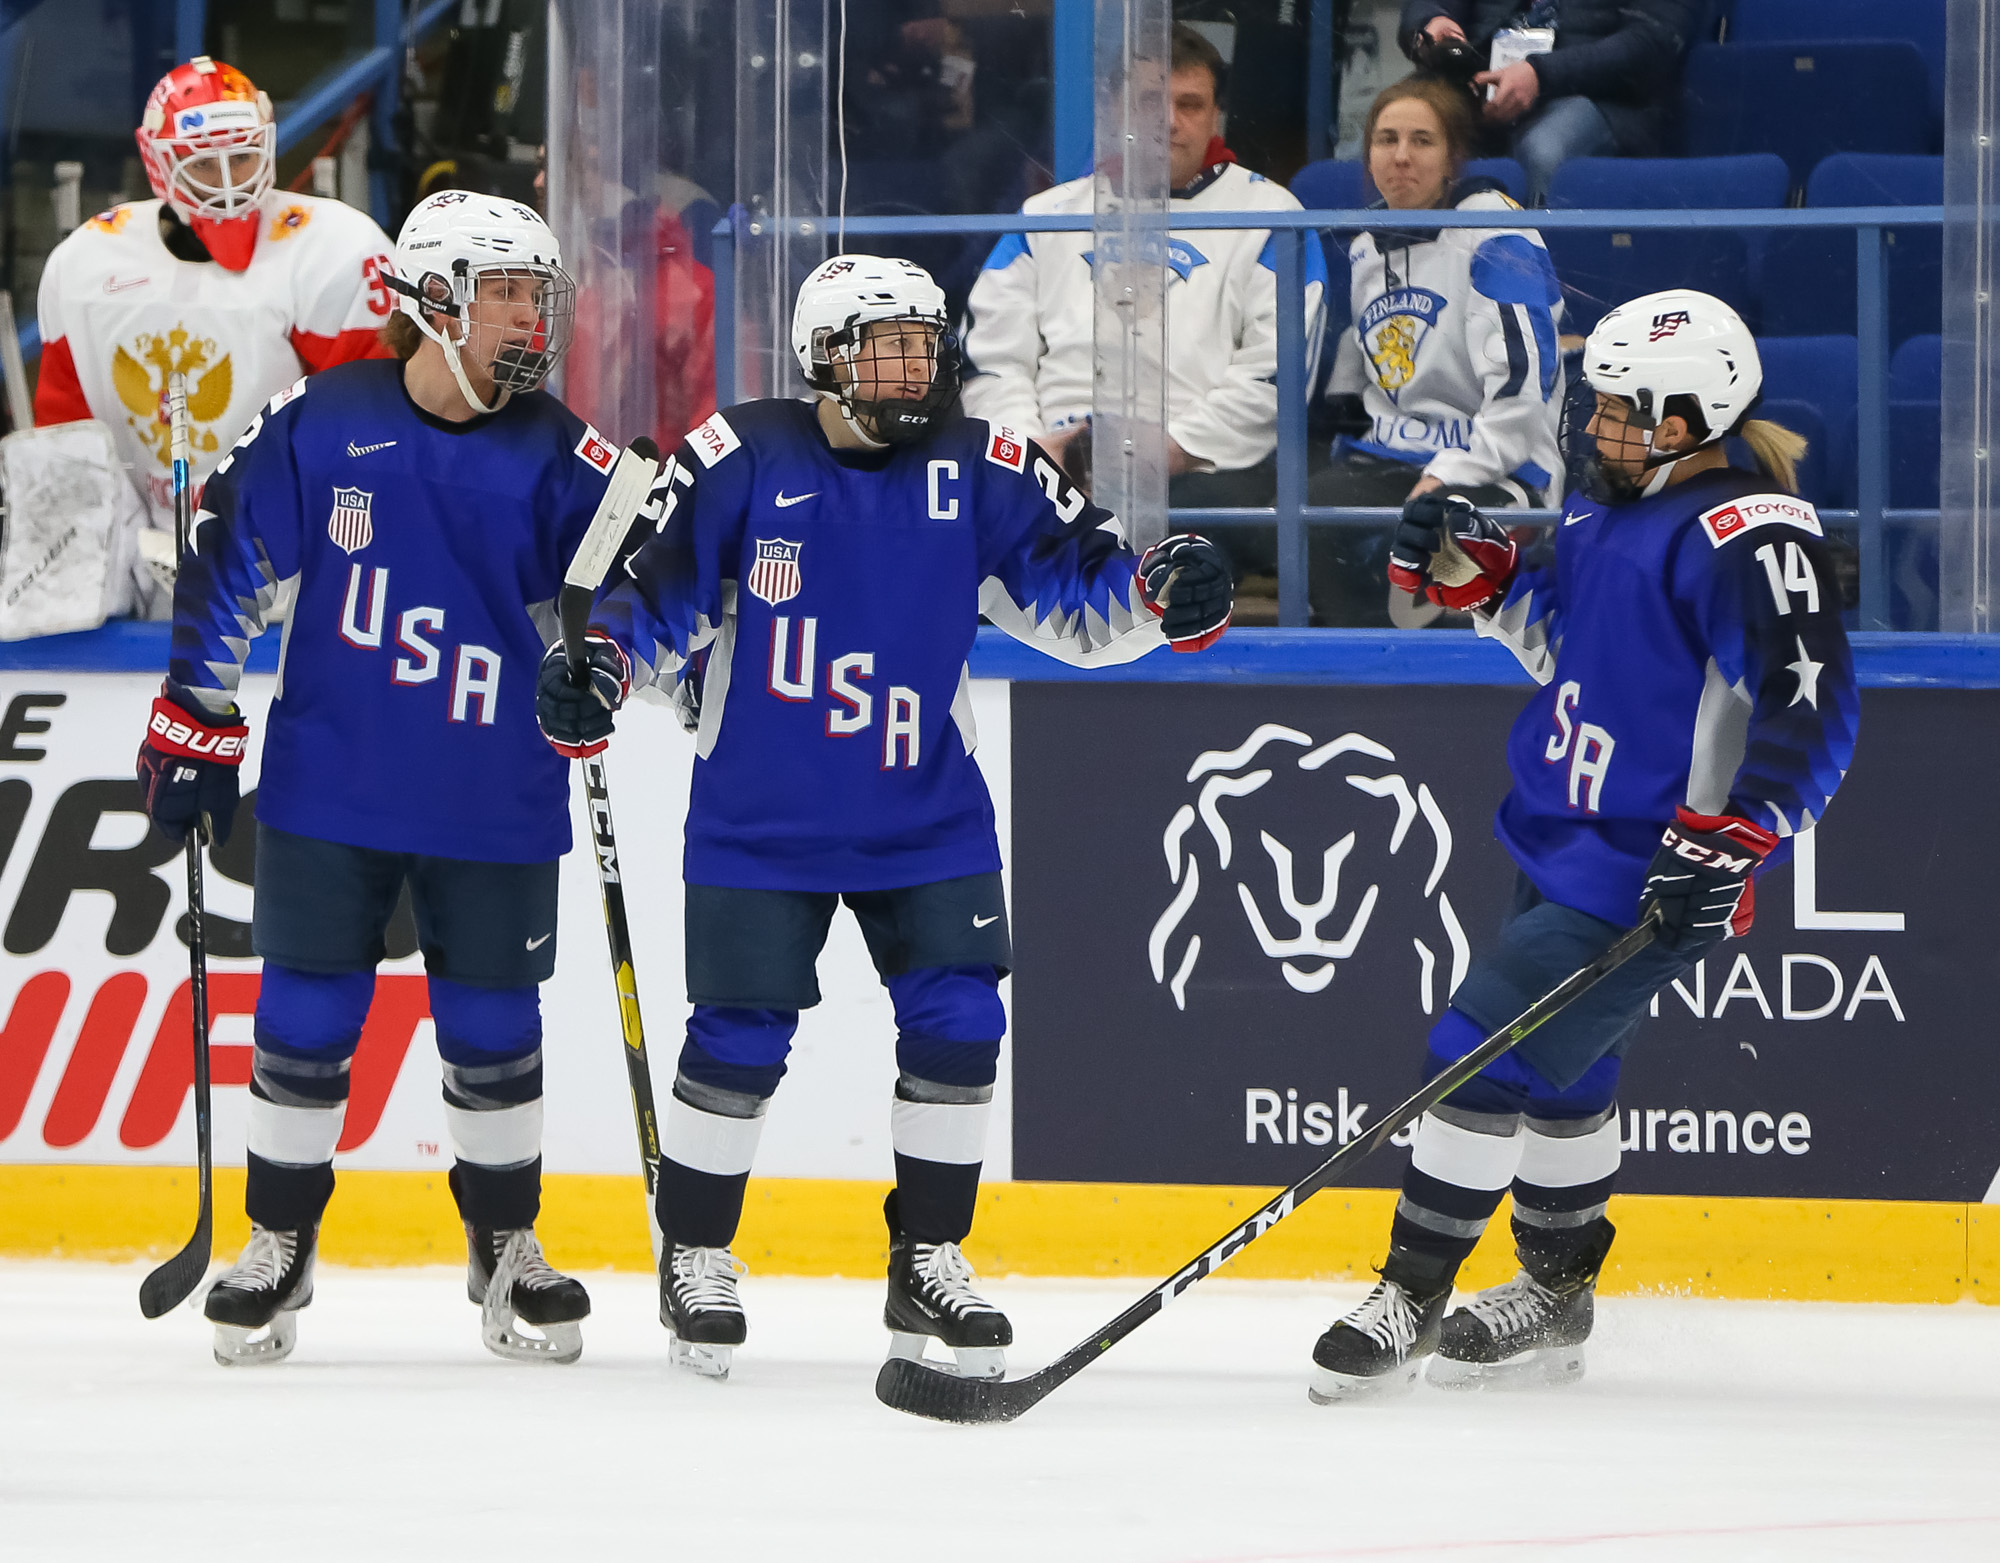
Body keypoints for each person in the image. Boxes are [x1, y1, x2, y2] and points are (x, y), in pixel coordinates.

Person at [535, 253, 1232, 1381]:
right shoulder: (738, 454)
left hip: (924, 813)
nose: (914, 365)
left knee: (959, 1025)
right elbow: (647, 596)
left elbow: (1077, 587)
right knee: (739, 1038)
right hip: (762, 814)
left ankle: (928, 1261)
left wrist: (1160, 595)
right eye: (886, 345)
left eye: (923, 343)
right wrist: (602, 670)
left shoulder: (984, 462)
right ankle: (697, 1254)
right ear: (822, 356)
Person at [1308, 289, 1856, 1401]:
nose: (1595, 430)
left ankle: (1409, 1296)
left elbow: (1813, 710)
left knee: (1474, 1050)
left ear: (1687, 420)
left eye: (1621, 413)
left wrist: (1734, 840)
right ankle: (1555, 1298)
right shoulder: (1606, 509)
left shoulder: (1746, 533)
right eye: (1596, 409)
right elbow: (1572, 645)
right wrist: (1483, 577)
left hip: (1649, 863)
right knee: (1564, 1081)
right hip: (1554, 835)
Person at [135, 190, 619, 1368]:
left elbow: (638, 598)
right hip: (333, 784)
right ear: (432, 298)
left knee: (495, 1028)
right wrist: (198, 719)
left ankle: (505, 1244)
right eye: (504, 290)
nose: (528, 317)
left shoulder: (563, 452)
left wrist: (596, 668)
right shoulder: (321, 417)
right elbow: (225, 555)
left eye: (535, 293)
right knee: (304, 1020)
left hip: (492, 790)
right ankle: (279, 1241)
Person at [959, 23, 1324, 581]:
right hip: (1047, 453)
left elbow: (1279, 375)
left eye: (1190, 104)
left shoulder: (1273, 216)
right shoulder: (1048, 217)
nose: (1170, 121)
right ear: (1113, 110)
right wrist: (1027, 450)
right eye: (1150, 103)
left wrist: (1175, 448)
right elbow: (990, 359)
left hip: (1195, 471)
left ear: (1215, 116)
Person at [35, 56, 395, 612]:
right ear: (158, 162)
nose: (229, 182)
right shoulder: (84, 265)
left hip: (298, 565)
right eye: (204, 164)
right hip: (140, 564)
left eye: (244, 156)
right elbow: (69, 456)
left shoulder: (335, 252)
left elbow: (377, 443)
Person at [1311, 75, 1562, 627]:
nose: (1401, 157)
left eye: (1422, 141)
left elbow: (1523, 385)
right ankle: (1354, 688)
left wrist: (1453, 472)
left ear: (1454, 157)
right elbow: (1369, 344)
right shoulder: (1363, 247)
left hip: (1500, 463)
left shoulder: (1498, 232)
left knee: (1448, 552)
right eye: (1386, 139)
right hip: (1396, 455)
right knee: (1316, 515)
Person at [1400, 1, 1697, 205]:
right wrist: (1432, 21)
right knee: (1379, 142)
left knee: (1542, 150)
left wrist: (1541, 74)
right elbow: (1426, 6)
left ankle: (1539, 286)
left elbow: (1653, 42)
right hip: (1480, 80)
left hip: (1602, 95)